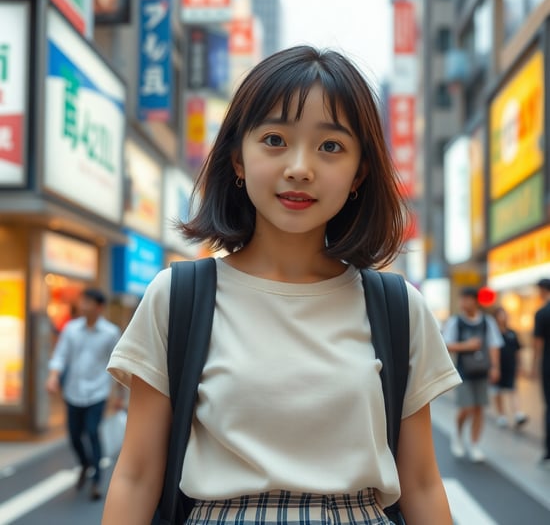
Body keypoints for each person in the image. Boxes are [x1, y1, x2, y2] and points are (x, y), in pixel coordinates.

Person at [102, 46, 461, 525]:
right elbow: (137, 474)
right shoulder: (178, 297)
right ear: (237, 160)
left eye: (330, 146)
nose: (299, 167)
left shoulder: (397, 308)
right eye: (274, 139)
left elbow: (420, 484)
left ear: (360, 173)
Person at [46, 287, 121, 501]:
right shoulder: (71, 329)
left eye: (88, 302)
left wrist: (119, 396)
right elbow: (60, 356)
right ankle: (86, 463)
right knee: (73, 435)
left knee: (92, 431)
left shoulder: (110, 332)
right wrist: (53, 377)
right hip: (73, 391)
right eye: (82, 302)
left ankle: (97, 479)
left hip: (97, 392)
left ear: (99, 307)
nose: (83, 306)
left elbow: (118, 365)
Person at [442, 287, 502, 463]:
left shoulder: (487, 322)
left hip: (482, 370)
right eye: (461, 299)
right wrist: (467, 346)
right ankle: (458, 434)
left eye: (466, 299)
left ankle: (474, 444)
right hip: (463, 371)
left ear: (475, 301)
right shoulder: (456, 321)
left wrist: (495, 367)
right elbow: (445, 345)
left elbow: (494, 345)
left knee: (479, 409)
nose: (463, 303)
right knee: (466, 408)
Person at [491, 306, 528, 428]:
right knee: (497, 391)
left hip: (510, 365)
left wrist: (520, 365)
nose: (503, 317)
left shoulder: (512, 333)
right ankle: (501, 415)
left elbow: (518, 350)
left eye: (504, 314)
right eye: (500, 315)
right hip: (497, 367)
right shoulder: (492, 333)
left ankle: (518, 413)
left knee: (513, 389)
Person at [533, 278, 550, 468]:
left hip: (548, 365)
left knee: (549, 407)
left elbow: (538, 344)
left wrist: (533, 367)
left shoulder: (542, 313)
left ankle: (548, 452)